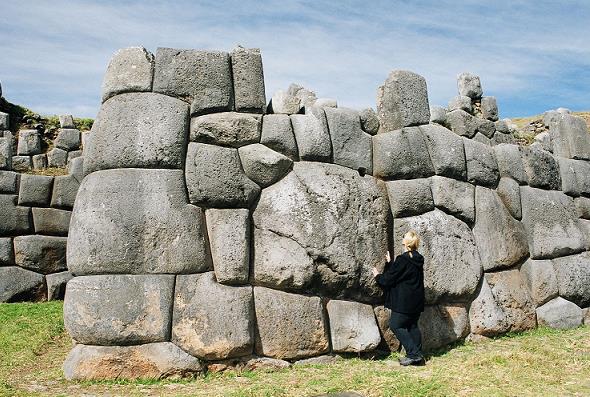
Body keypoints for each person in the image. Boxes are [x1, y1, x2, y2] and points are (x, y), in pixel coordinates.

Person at [372, 230, 425, 366]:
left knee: (396, 325)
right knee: (412, 326)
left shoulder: (403, 259)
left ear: (405, 242)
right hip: (417, 301)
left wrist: (378, 276)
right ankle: (418, 357)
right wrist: (391, 263)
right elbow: (401, 274)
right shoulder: (418, 259)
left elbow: (389, 279)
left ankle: (414, 354)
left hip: (404, 301)